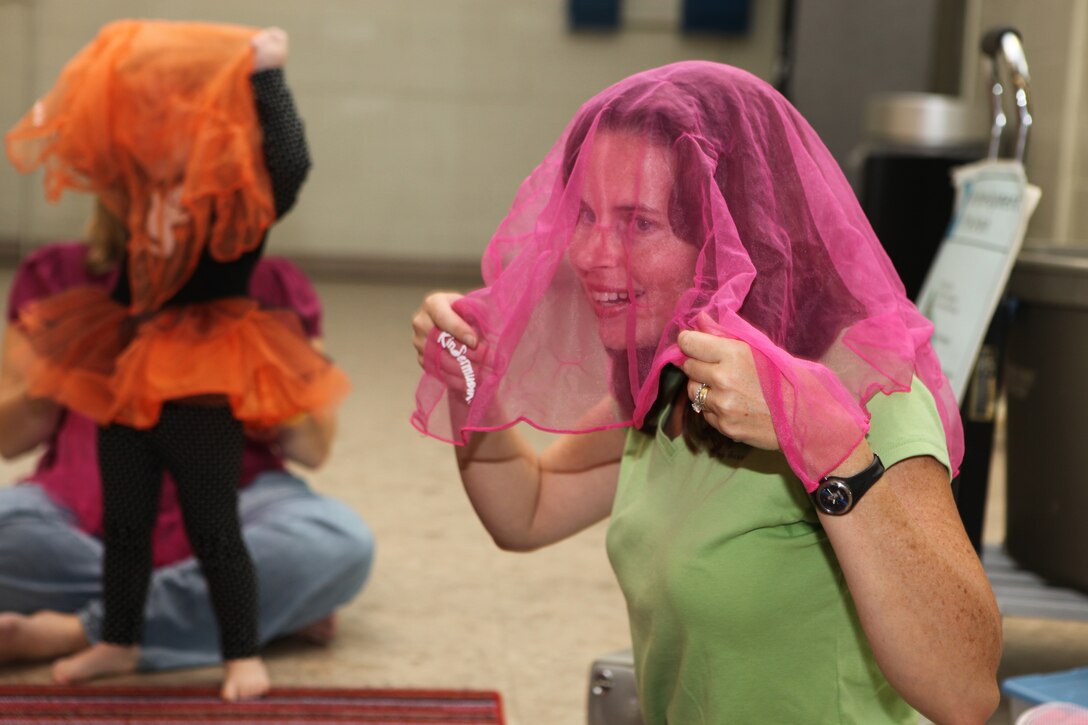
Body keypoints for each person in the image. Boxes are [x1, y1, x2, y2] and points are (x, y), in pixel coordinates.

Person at [412, 61, 1002, 724]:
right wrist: (470, 384)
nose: (592, 254)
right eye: (584, 214)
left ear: (731, 235)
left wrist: (829, 448)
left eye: (639, 223)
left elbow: (966, 690)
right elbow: (529, 508)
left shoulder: (868, 390)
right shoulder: (672, 373)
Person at [4, 21, 351, 700]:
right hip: (129, 373)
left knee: (213, 523)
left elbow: (290, 164)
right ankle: (119, 637)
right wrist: (111, 75)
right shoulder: (136, 195)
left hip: (200, 381)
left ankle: (240, 649)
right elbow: (94, 139)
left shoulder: (237, 209)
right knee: (126, 522)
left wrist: (267, 77)